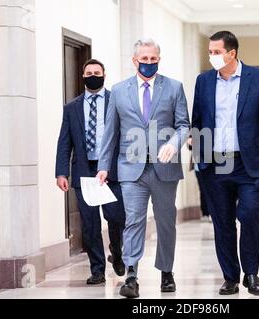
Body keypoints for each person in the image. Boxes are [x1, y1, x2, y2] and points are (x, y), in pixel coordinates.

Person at [192, 31, 259, 296]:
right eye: (210, 52)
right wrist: (199, 156)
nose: (212, 56)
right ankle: (230, 278)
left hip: (248, 164)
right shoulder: (203, 81)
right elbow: (198, 120)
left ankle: (251, 273)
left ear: (232, 53)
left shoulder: (257, 77)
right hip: (215, 165)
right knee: (222, 222)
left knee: (249, 216)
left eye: (216, 52)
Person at [96, 39, 190, 298]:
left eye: (153, 59)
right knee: (134, 221)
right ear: (134, 60)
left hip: (165, 169)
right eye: (144, 59)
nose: (149, 63)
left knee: (165, 222)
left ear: (159, 59)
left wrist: (174, 143)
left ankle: (166, 272)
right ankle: (131, 275)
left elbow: (184, 125)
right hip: (131, 169)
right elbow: (110, 133)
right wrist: (104, 166)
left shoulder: (173, 88)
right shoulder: (119, 91)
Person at [55, 59, 126, 285]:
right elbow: (64, 142)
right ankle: (97, 269)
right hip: (85, 171)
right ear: (83, 76)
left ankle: (116, 250)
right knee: (90, 223)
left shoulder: (117, 101)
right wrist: (61, 172)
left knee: (116, 216)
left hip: (112, 170)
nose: (93, 75)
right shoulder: (71, 108)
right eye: (89, 72)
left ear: (104, 75)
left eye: (97, 72)